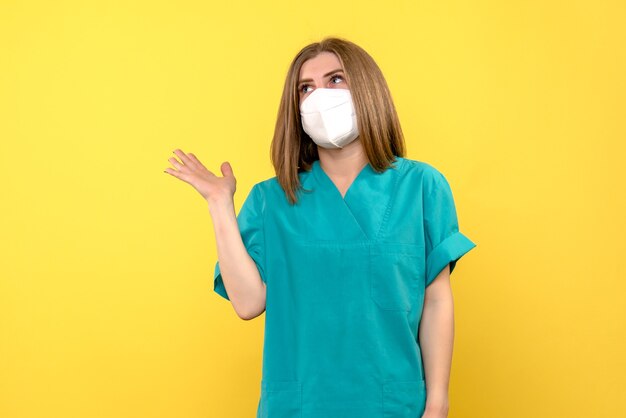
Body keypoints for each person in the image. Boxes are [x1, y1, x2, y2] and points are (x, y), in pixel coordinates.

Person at [164, 37, 477, 418]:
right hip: (299, 404)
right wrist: (219, 205)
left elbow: (437, 300)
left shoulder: (422, 187)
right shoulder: (271, 201)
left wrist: (438, 401)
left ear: (366, 88)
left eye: (335, 80)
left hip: (391, 403)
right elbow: (247, 303)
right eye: (306, 88)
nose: (319, 96)